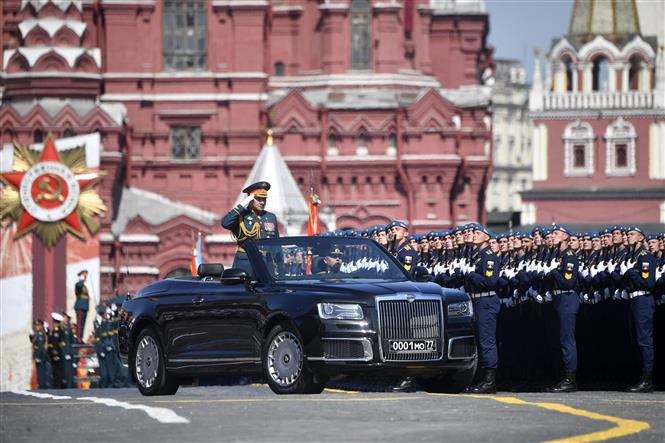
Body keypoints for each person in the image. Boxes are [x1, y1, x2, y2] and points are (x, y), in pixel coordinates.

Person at [463, 225, 500, 394]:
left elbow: (490, 281)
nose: (474, 235)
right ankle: (481, 378)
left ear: (486, 237)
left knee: (487, 342)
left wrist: (471, 275)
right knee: (481, 342)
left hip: (486, 300)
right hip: (478, 301)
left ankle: (489, 381)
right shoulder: (479, 256)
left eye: (478, 233)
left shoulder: (488, 256)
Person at [546, 225, 581, 393]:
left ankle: (570, 379)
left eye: (556, 233)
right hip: (559, 298)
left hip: (567, 298)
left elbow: (568, 282)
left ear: (566, 237)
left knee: (567, 339)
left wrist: (553, 272)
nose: (553, 236)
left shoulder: (569, 256)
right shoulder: (558, 255)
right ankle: (562, 376)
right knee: (560, 339)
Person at [622, 227, 657, 392]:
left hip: (643, 299)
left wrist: (630, 273)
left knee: (644, 340)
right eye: (628, 234)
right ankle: (639, 377)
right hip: (634, 299)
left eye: (632, 234)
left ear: (641, 237)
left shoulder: (645, 257)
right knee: (635, 339)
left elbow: (648, 283)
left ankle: (647, 380)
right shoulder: (633, 256)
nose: (628, 236)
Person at [221, 181, 280, 275]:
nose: (262, 202)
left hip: (266, 263)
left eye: (264, 199)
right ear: (250, 199)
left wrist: (280, 269)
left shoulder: (271, 217)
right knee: (242, 289)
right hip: (246, 263)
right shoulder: (241, 216)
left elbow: (277, 244)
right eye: (258, 199)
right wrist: (242, 205)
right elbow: (225, 223)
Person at [30, 319, 52, 389]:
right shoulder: (37, 334)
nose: (36, 327)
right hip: (38, 357)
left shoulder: (41, 334)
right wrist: (30, 336)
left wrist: (39, 357)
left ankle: (42, 386)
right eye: (36, 325)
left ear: (41, 326)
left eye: (38, 325)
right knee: (39, 373)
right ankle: (40, 385)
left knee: (41, 373)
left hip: (41, 357)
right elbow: (33, 343)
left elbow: (41, 348)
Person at [74, 270, 90, 343]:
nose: (85, 277)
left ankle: (81, 338)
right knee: (80, 324)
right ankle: (78, 339)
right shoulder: (78, 284)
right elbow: (79, 286)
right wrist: (82, 279)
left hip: (84, 307)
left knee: (83, 324)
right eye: (84, 275)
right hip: (80, 306)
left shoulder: (84, 286)